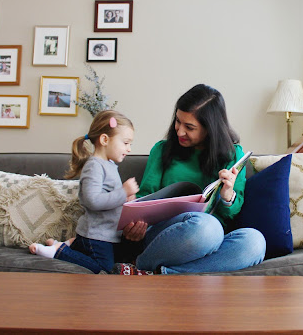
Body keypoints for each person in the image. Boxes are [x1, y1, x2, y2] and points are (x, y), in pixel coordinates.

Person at [115, 84, 266, 275]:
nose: (179, 131)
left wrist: (227, 195)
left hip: (212, 238)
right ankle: (144, 262)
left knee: (255, 242)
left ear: (210, 129)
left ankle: (153, 272)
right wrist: (135, 223)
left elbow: (231, 214)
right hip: (168, 237)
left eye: (190, 127)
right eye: (178, 122)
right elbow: (145, 197)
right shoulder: (162, 150)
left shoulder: (233, 155)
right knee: (207, 227)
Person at [28, 110, 141, 274]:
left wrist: (126, 199)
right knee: (104, 269)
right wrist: (123, 192)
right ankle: (60, 251)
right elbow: (92, 200)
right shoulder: (94, 166)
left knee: (121, 261)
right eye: (125, 143)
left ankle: (71, 245)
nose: (129, 149)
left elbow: (109, 197)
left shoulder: (109, 165)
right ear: (104, 140)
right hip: (96, 235)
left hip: (107, 235)